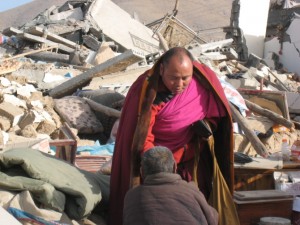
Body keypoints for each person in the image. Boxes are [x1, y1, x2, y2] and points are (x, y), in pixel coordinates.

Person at [109, 47, 235, 225]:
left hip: (191, 157)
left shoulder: (204, 81)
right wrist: (157, 164)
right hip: (155, 164)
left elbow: (215, 116)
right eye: (173, 78)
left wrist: (205, 127)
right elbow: (140, 136)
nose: (180, 84)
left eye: (185, 78)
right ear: (162, 70)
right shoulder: (145, 90)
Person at [123, 146, 219, 225]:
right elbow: (213, 219)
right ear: (174, 167)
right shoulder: (190, 190)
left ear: (142, 172)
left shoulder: (131, 196)